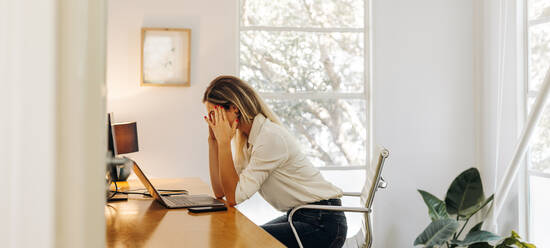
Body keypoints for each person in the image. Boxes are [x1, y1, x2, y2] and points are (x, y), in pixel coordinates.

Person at [203, 75, 347, 248]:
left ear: (234, 108)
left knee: (243, 242)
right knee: (239, 237)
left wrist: (224, 143)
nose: (213, 122)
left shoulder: (269, 137)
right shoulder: (247, 139)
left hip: (323, 223)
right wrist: (213, 142)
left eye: (215, 114)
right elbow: (221, 192)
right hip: (299, 215)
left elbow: (234, 197)